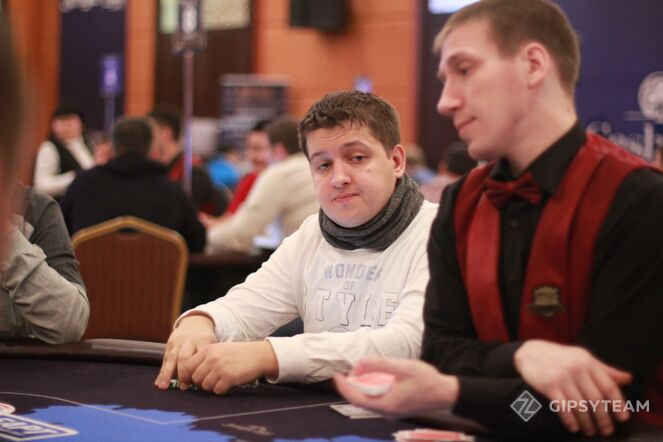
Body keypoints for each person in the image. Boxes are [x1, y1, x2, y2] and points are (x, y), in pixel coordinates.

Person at [335, 0, 663, 439]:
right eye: (445, 79)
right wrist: (522, 356)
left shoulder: (639, 199)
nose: (446, 102)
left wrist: (455, 393)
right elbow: (442, 352)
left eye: (464, 70)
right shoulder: (461, 202)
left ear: (533, 65)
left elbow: (602, 407)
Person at [155, 90, 438, 393]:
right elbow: (245, 307)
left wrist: (270, 356)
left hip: (413, 413)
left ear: (396, 161)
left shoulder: (438, 233)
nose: (339, 178)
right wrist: (202, 321)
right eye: (323, 165)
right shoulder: (311, 234)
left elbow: (408, 343)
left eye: (357, 158)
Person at [0, 20, 89, 344]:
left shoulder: (36, 209)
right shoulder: (50, 150)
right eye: (60, 121)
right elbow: (46, 180)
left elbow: (70, 323)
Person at [60, 117, 206, 252]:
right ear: (151, 148)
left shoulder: (83, 184)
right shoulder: (171, 190)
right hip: (154, 272)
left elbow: (59, 235)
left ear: (112, 147)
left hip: (91, 272)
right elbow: (198, 242)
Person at [205, 117, 319, 253]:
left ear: (278, 149)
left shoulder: (279, 173)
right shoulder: (315, 167)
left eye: (262, 149)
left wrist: (203, 238)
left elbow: (241, 234)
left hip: (304, 255)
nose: (254, 157)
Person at [148, 105, 229, 216]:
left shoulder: (193, 172)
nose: (147, 137)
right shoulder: (155, 167)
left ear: (166, 133)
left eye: (150, 131)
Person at [33, 101, 96, 199]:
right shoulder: (49, 148)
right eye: (60, 122)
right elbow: (41, 185)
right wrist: (72, 177)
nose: (65, 127)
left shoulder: (89, 144)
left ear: (81, 124)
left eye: (69, 122)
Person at [226, 119, 273, 214]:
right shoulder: (249, 180)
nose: (252, 156)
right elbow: (231, 218)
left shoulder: (288, 184)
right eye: (249, 148)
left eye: (258, 148)